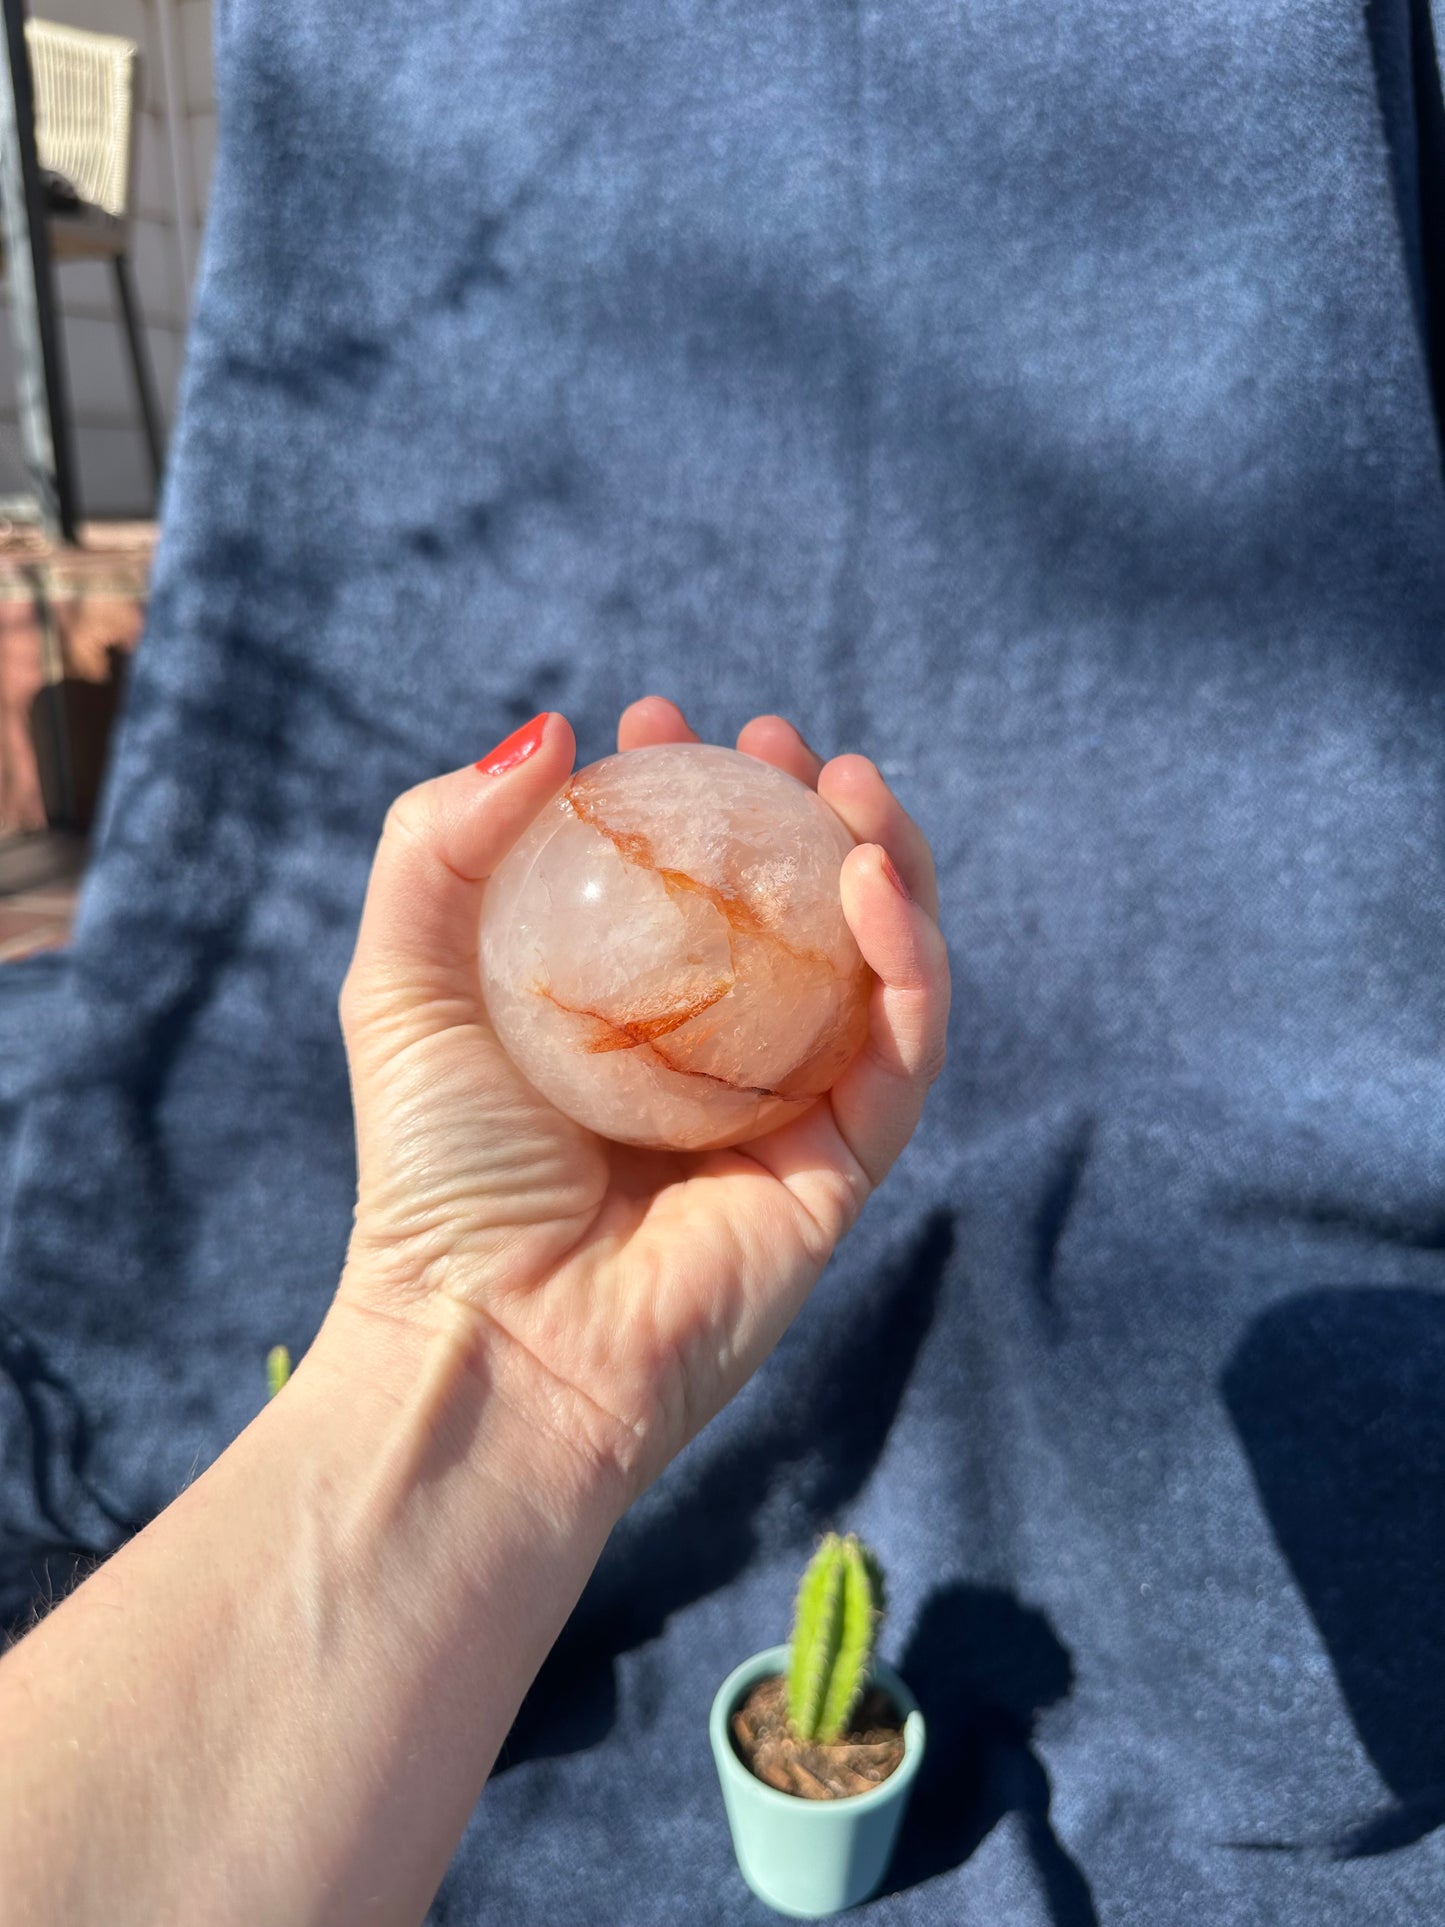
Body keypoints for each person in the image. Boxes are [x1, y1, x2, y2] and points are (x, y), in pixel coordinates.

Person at [0, 697, 950, 1927]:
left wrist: (500, 1375)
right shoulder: (573, 894)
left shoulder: (703, 881)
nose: (692, 926)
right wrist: (478, 1330)